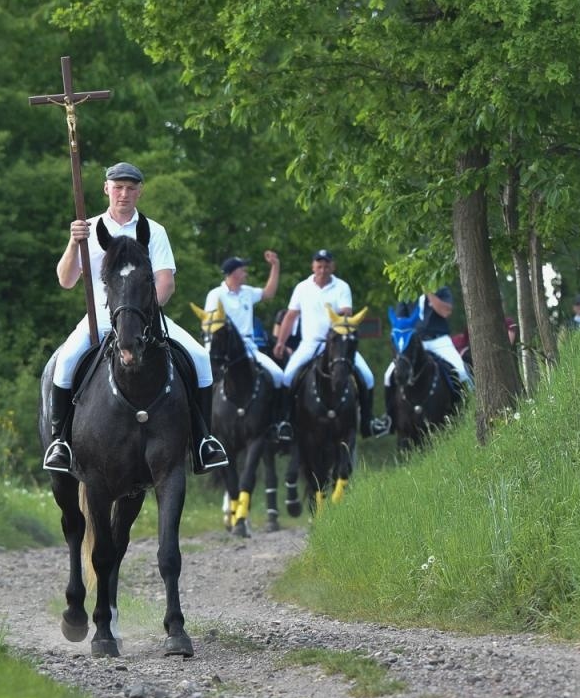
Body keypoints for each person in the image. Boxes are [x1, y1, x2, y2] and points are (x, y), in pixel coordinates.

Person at [42, 161, 227, 475]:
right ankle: (61, 443)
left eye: (130, 188)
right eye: (118, 187)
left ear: (139, 191)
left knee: (199, 356)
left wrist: (143, 314)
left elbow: (165, 281)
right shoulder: (88, 227)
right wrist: (74, 243)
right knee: (65, 361)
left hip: (145, 318)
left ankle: (202, 441)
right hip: (99, 318)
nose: (123, 194)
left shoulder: (154, 231)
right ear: (106, 189)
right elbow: (66, 279)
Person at [273, 248, 390, 437]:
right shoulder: (302, 288)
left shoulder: (342, 287)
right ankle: (285, 421)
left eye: (326, 265)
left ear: (332, 266)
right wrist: (281, 341)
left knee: (367, 376)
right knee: (288, 376)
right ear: (313, 266)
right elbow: (291, 316)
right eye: (319, 265)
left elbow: (346, 313)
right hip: (310, 342)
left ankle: (368, 422)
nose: (323, 269)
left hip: (338, 344)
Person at [201, 251, 292, 439]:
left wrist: (275, 266)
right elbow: (211, 325)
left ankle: (278, 422)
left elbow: (269, 293)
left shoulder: (247, 292)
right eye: (243, 270)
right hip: (222, 348)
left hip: (249, 347)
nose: (246, 274)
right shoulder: (215, 295)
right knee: (204, 379)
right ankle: (203, 427)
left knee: (279, 375)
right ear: (233, 273)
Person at [383, 286, 472, 391]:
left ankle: (467, 403)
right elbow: (400, 322)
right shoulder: (407, 291)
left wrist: (428, 292)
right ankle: (391, 407)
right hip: (414, 344)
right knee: (388, 377)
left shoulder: (441, 288)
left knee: (462, 372)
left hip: (439, 341)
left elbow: (446, 312)